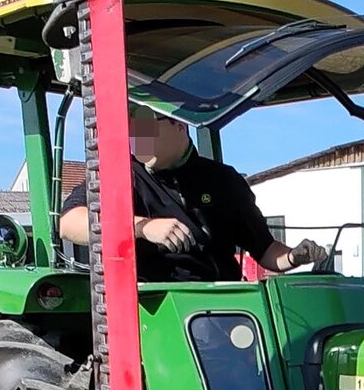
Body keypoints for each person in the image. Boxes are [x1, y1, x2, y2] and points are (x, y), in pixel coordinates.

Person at [58, 108, 327, 281]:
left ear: (179, 125)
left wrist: (295, 256)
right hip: (156, 312)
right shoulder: (121, 176)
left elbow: (265, 250)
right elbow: (70, 224)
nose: (135, 136)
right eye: (131, 128)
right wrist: (142, 227)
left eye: (145, 126)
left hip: (228, 311)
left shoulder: (224, 179)